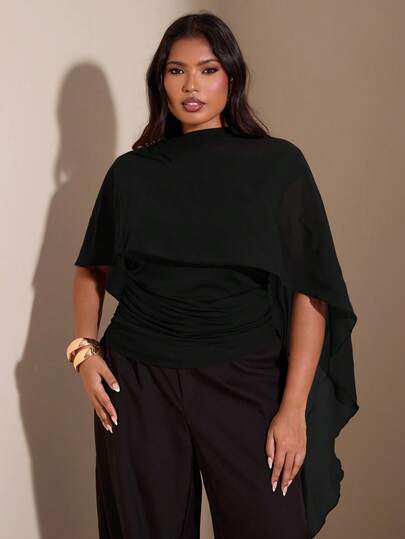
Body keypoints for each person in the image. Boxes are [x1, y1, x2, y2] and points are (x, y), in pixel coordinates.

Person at [68, 11, 359, 539]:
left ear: (231, 76)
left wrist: (293, 410)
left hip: (245, 379)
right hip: (138, 381)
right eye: (176, 71)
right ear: (161, 80)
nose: (191, 86)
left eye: (207, 70)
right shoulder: (131, 174)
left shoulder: (278, 166)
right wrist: (85, 352)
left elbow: (312, 293)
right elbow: (92, 268)